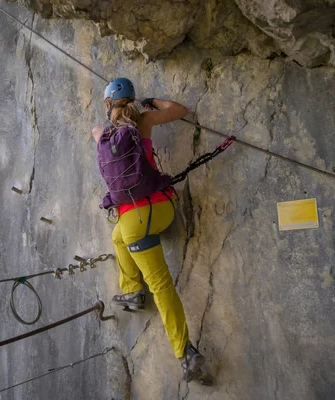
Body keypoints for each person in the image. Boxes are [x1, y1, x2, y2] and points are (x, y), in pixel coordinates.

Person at [92, 78, 207, 382]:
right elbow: (179, 109)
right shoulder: (144, 122)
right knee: (118, 238)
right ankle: (131, 291)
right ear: (132, 99)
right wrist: (151, 103)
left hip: (134, 220)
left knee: (160, 284)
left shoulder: (100, 133)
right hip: (164, 208)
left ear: (107, 105)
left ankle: (185, 352)